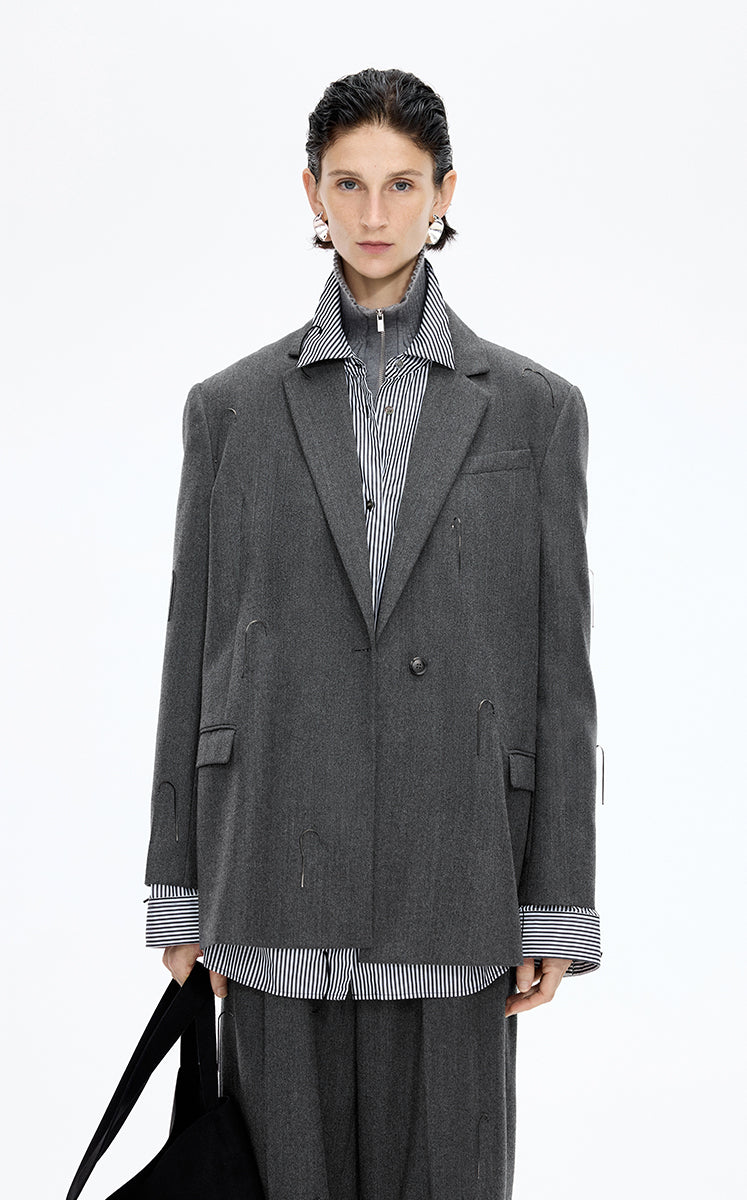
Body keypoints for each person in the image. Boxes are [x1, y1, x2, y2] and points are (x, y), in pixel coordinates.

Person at [143, 66, 601, 1200]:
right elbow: (191, 653)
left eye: (402, 184)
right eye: (348, 183)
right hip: (273, 868)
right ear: (312, 192)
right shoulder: (230, 409)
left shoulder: (535, 410)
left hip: (462, 875)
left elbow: (559, 671)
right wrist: (181, 889)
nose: (375, 212)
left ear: (445, 192)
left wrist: (555, 901)